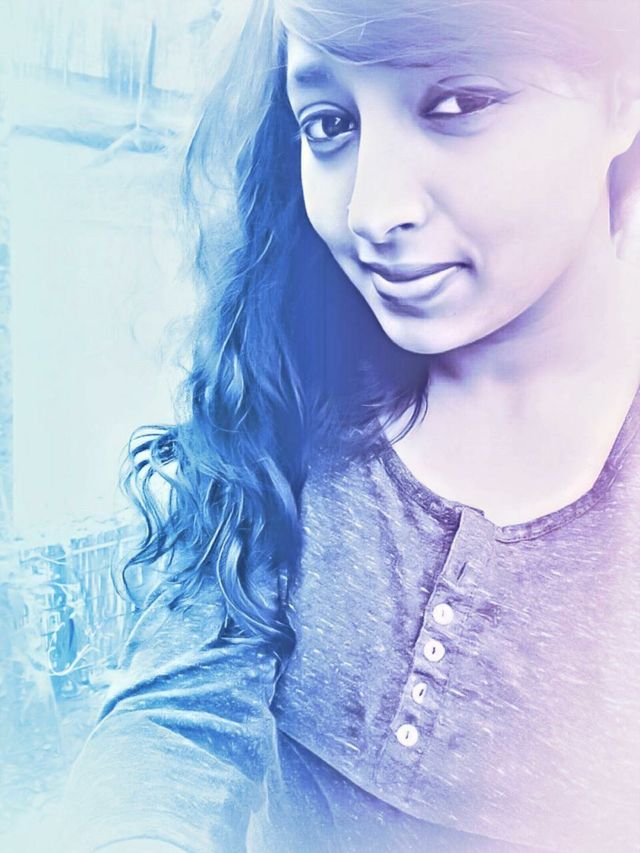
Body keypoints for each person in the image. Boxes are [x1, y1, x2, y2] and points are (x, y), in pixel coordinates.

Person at [56, 0, 640, 850]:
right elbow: (175, 725)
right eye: (329, 124)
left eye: (459, 103)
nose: (372, 208)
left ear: (621, 93)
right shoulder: (291, 391)